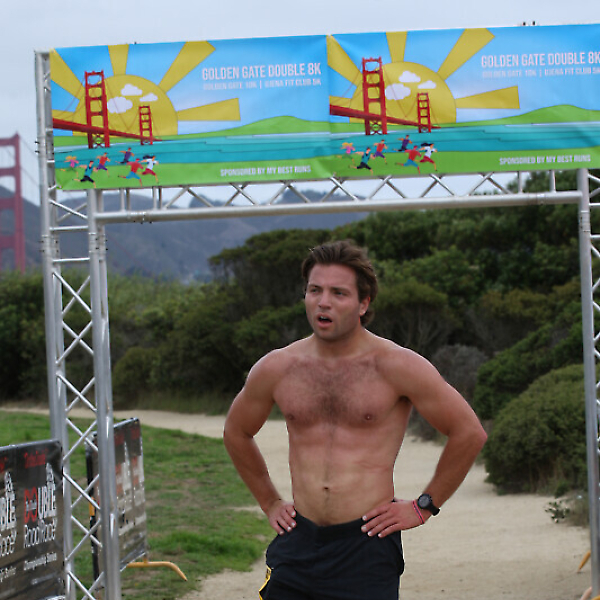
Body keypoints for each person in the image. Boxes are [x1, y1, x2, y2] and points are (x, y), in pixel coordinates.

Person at [223, 240, 487, 600]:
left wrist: (423, 506)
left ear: (363, 304)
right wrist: (270, 502)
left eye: (339, 293)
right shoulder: (278, 367)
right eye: (315, 290)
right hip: (298, 540)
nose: (323, 302)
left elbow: (468, 432)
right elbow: (236, 431)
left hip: (366, 544)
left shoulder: (396, 365)